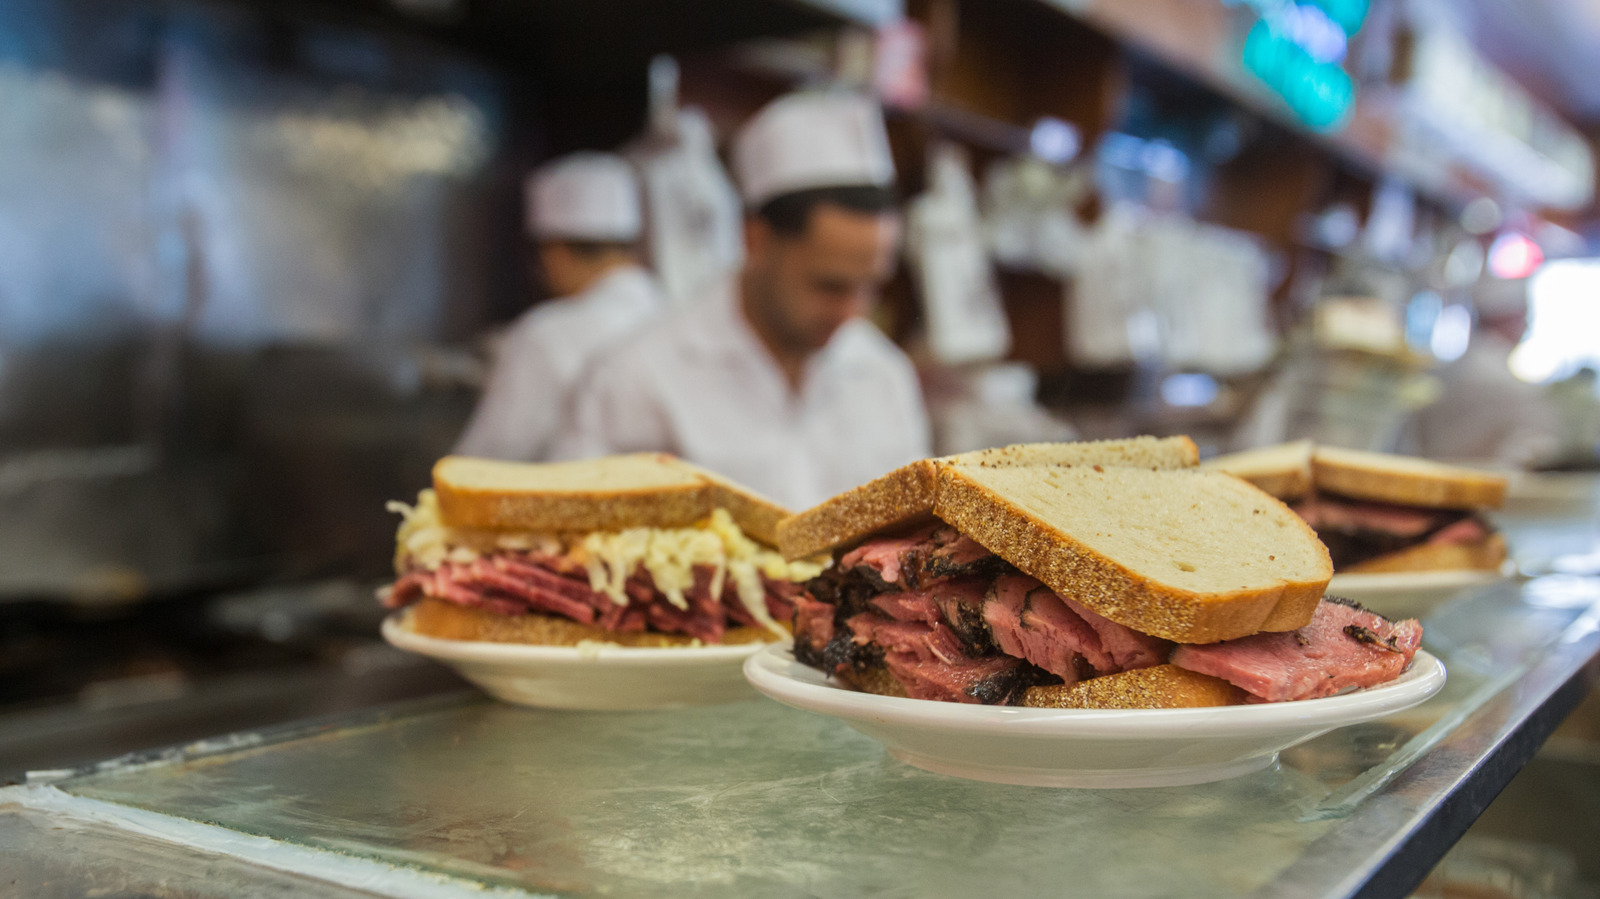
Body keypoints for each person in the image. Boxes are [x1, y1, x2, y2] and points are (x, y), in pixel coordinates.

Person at [557, 92, 931, 508]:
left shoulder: (884, 378)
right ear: (756, 240)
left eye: (870, 287)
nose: (852, 312)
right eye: (829, 286)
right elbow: (575, 540)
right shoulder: (636, 376)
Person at [454, 153, 664, 461]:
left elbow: (484, 462)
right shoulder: (679, 316)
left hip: (574, 506)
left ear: (555, 252)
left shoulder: (544, 335)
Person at [1409, 276, 1561, 467]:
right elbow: (1538, 448)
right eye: (1524, 317)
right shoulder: (1513, 388)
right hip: (1480, 489)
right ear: (1506, 318)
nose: (1526, 327)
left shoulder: (1445, 372)